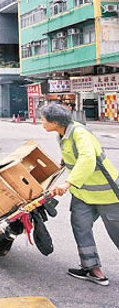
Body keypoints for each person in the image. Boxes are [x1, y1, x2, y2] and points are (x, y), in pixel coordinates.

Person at [41, 104, 119, 286]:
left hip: (107, 194)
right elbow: (72, 157)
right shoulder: (61, 134)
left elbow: (87, 159)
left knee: (117, 233)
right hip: (83, 194)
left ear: (55, 122)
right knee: (80, 227)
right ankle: (93, 269)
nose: (42, 122)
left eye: (44, 119)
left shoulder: (79, 133)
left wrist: (67, 183)